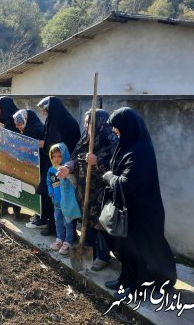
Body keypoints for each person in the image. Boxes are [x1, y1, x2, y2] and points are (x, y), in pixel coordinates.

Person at [102, 107, 176, 299]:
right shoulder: (126, 146)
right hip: (129, 210)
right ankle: (125, 279)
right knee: (127, 249)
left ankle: (137, 288)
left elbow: (128, 183)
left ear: (127, 126)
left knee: (141, 252)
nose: (114, 131)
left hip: (144, 213)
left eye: (116, 127)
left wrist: (110, 177)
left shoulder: (140, 151)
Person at [57, 109, 118, 271]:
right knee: (87, 222)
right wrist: (68, 168)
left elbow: (115, 166)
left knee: (100, 223)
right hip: (85, 190)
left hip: (102, 191)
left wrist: (97, 161)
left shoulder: (110, 139)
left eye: (89, 122)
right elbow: (75, 158)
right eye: (85, 122)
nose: (86, 125)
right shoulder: (85, 138)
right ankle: (90, 251)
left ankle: (103, 256)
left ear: (99, 123)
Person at [28, 96, 81, 234]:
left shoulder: (66, 123)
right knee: (51, 196)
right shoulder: (53, 121)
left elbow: (59, 146)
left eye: (45, 111)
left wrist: (43, 145)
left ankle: (68, 233)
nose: (43, 114)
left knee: (66, 198)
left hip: (65, 166)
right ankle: (55, 228)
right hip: (53, 165)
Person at [8, 109, 45, 220]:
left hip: (37, 167)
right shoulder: (29, 128)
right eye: (16, 124)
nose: (17, 127)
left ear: (25, 121)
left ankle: (39, 215)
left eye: (19, 124)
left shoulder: (35, 130)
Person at [0, 96, 21, 218]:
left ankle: (16, 211)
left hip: (16, 158)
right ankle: (3, 209)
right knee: (3, 181)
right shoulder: (5, 120)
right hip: (4, 157)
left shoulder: (15, 121)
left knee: (15, 182)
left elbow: (11, 139)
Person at [47, 143, 77, 255]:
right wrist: (51, 194)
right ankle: (60, 239)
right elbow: (49, 183)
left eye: (59, 156)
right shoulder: (51, 170)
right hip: (56, 203)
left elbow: (73, 185)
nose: (56, 159)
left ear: (64, 156)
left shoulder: (68, 171)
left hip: (67, 203)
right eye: (54, 156)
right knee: (58, 221)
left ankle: (68, 242)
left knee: (67, 223)